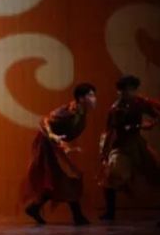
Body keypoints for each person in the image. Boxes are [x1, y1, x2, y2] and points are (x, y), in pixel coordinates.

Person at [22, 83, 97, 225]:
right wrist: (52, 136)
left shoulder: (81, 112)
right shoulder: (69, 111)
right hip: (48, 145)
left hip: (57, 145)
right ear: (81, 98)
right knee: (68, 176)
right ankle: (77, 215)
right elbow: (44, 121)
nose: (94, 99)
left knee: (59, 180)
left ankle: (34, 207)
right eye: (91, 95)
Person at [98, 75, 160, 220]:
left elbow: (154, 111)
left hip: (137, 143)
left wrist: (154, 119)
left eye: (132, 90)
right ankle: (110, 212)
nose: (130, 93)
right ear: (120, 91)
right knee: (113, 176)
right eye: (126, 90)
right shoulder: (116, 109)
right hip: (122, 145)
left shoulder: (139, 101)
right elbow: (115, 129)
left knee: (156, 169)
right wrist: (104, 152)